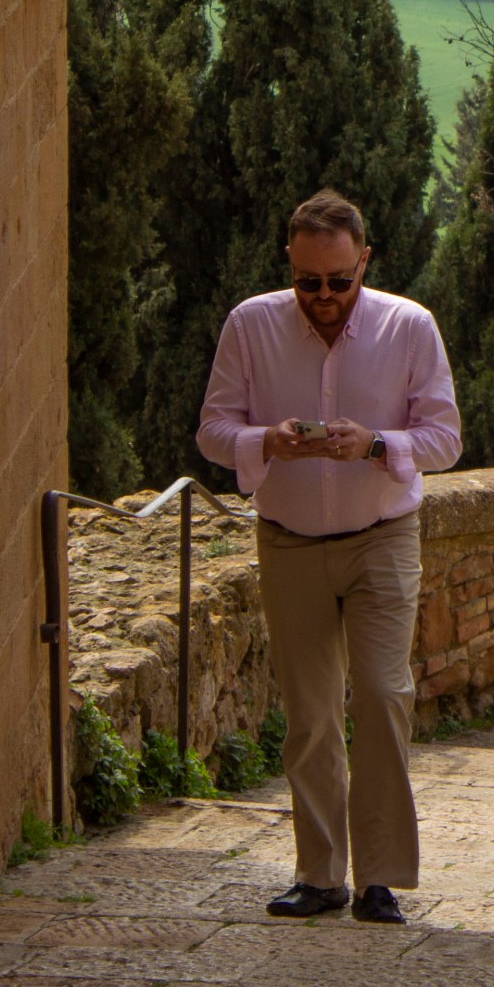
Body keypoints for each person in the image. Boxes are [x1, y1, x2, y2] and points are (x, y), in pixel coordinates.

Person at [197, 189, 462, 926]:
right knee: (310, 714)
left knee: (380, 695)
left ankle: (380, 876)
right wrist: (265, 441)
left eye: (338, 282)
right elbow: (214, 429)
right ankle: (319, 875)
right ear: (291, 263)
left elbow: (445, 438)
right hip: (288, 540)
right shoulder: (251, 325)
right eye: (308, 282)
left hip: (381, 535)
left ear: (364, 262)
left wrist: (377, 444)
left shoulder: (408, 327)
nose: (322, 297)